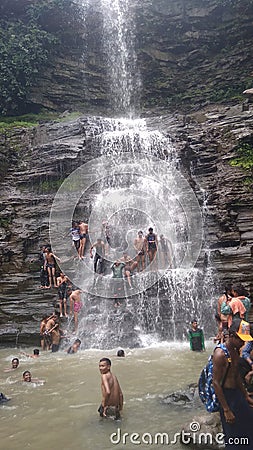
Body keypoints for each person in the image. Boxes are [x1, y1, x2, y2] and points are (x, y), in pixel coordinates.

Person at [213, 319, 253, 449]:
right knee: (233, 433)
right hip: (227, 397)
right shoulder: (220, 354)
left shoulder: (235, 351)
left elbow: (235, 376)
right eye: (240, 340)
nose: (243, 343)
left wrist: (246, 395)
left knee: (248, 423)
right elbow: (216, 383)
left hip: (237, 394)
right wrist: (226, 410)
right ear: (231, 335)